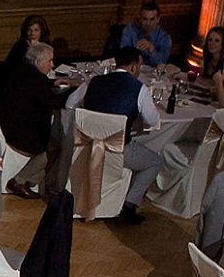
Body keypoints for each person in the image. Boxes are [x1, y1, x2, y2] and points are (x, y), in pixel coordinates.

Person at [66, 46, 164, 225]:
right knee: (155, 161)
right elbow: (152, 121)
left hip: (87, 146)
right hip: (117, 150)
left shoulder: (93, 81)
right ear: (134, 66)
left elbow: (70, 104)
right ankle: (130, 203)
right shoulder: (139, 89)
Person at [0, 40, 67, 199]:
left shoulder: (22, 71)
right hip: (21, 132)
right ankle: (20, 180)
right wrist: (73, 92)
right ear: (37, 62)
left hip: (10, 123)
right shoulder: (34, 80)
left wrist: (52, 83)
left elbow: (40, 90)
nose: (52, 65)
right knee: (54, 146)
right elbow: (55, 102)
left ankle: (34, 179)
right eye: (49, 61)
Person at [118, 1, 172, 67]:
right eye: (144, 19)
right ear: (140, 18)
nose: (148, 23)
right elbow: (123, 56)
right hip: (132, 70)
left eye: (152, 19)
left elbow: (162, 63)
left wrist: (151, 49)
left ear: (158, 19)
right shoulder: (129, 30)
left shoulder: (165, 38)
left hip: (152, 75)